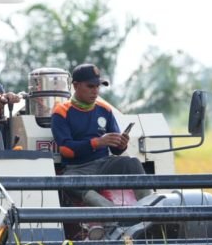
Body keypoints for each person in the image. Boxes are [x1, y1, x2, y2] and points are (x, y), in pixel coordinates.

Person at [51, 64, 152, 203]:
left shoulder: (105, 110)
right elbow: (66, 150)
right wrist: (97, 143)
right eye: (90, 86)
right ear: (75, 86)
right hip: (78, 169)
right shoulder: (61, 112)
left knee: (132, 163)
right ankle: (111, 213)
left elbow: (116, 150)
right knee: (68, 181)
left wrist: (121, 144)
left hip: (105, 164)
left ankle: (150, 208)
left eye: (98, 86)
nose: (96, 91)